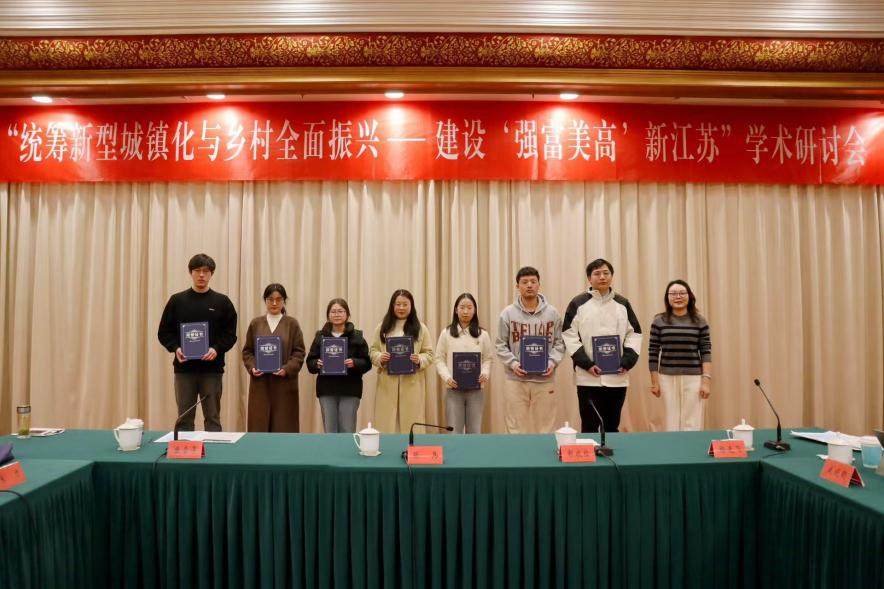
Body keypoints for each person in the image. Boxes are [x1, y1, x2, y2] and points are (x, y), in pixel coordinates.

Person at [157, 253, 237, 432]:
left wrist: (216, 349)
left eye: (206, 271)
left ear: (212, 274)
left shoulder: (222, 302)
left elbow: (230, 334)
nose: (201, 275)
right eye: (197, 270)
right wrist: (176, 348)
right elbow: (164, 332)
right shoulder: (177, 301)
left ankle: (214, 450)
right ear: (190, 272)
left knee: (213, 418)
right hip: (184, 370)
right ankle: (184, 450)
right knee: (184, 418)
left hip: (212, 370)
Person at [563, 258, 642, 434]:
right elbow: (569, 335)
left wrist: (627, 362)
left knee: (612, 425)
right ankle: (590, 452)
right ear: (589, 278)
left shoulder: (622, 303)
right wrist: (587, 364)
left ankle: (610, 452)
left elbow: (635, 334)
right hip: (588, 376)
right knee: (589, 426)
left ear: (612, 276)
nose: (602, 277)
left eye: (606, 273)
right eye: (597, 273)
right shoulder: (578, 303)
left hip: (617, 376)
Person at [495, 266, 565, 434]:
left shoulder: (552, 313)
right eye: (524, 282)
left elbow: (560, 343)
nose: (529, 285)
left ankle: (545, 453)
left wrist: (552, 362)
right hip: (516, 379)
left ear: (539, 285)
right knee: (515, 427)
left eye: (533, 281)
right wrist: (513, 364)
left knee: (546, 426)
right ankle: (519, 452)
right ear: (517, 286)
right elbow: (500, 345)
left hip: (545, 378)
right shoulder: (507, 314)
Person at [648, 280, 712, 431]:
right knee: (670, 420)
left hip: (694, 377)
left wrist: (706, 381)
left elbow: (706, 351)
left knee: (692, 421)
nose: (678, 297)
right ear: (667, 297)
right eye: (673, 293)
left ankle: (690, 446)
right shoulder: (659, 321)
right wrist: (655, 382)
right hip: (666, 378)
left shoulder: (700, 321)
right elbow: (653, 352)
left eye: (682, 293)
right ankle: (671, 446)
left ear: (689, 296)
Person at [241, 283, 306, 432]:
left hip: (284, 386)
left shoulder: (292, 324)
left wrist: (287, 369)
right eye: (270, 299)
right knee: (259, 428)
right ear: (265, 300)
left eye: (279, 299)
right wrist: (252, 367)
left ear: (284, 301)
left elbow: (299, 352)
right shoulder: (256, 323)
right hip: (260, 385)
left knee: (284, 428)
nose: (274, 303)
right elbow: (247, 352)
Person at [369, 289, 434, 433]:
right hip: (387, 384)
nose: (401, 308)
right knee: (386, 423)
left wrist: (419, 359)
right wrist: (380, 358)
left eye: (405, 304)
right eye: (398, 304)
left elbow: (429, 354)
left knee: (412, 422)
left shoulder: (421, 328)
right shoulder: (382, 327)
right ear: (392, 306)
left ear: (411, 306)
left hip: (412, 383)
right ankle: (387, 447)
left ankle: (411, 447)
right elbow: (373, 351)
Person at [305, 298, 372, 433]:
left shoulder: (357, 336)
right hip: (327, 390)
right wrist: (316, 363)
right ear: (328, 315)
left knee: (347, 430)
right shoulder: (320, 336)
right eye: (333, 312)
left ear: (347, 314)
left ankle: (347, 448)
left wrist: (354, 363)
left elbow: (367, 363)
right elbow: (310, 362)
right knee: (330, 430)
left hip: (350, 390)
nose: (337, 314)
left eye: (340, 311)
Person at [434, 293, 494, 434]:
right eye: (462, 307)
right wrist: (447, 377)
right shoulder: (446, 333)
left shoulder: (483, 334)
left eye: (469, 307)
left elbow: (488, 358)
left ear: (475, 310)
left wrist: (485, 373)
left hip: (476, 389)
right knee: (454, 430)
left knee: (474, 430)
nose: (465, 311)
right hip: (453, 389)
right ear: (456, 310)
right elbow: (439, 359)